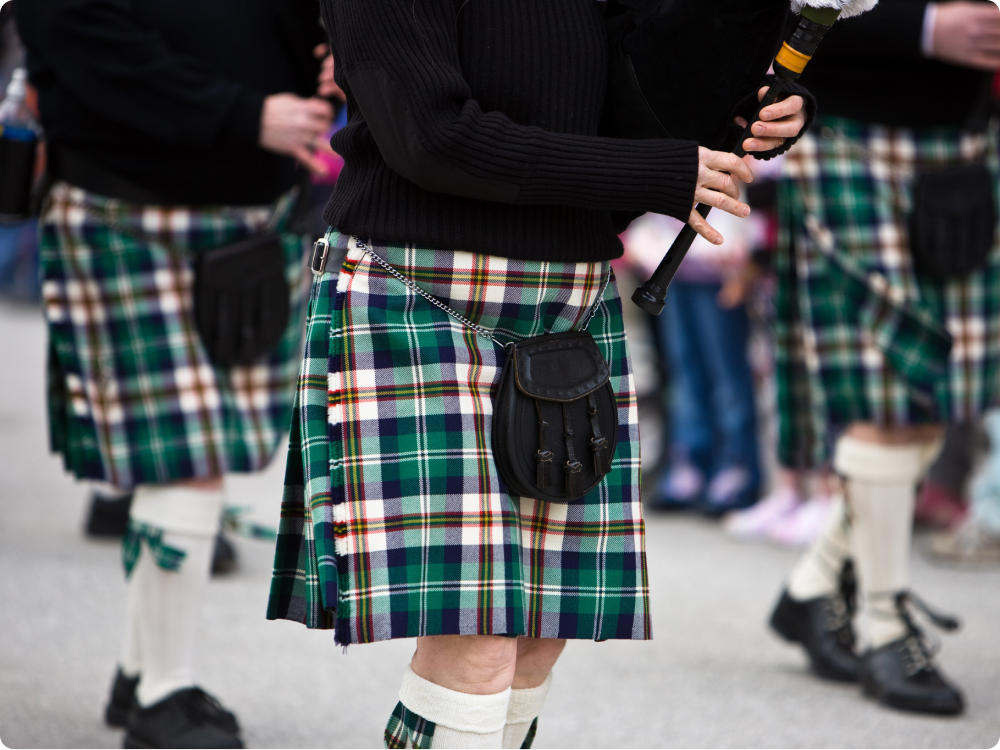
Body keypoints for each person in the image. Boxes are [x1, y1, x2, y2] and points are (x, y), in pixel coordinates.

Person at [264, 1, 812, 747]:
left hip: (568, 297)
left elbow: (643, 90)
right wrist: (658, 171)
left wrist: (760, 103)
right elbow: (431, 136)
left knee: (537, 637)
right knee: (478, 638)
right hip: (420, 289)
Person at [14, 0, 333, 746]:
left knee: (197, 459)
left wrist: (335, 48)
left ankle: (141, 669)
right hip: (127, 203)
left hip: (256, 213)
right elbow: (74, 32)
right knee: (189, 458)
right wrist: (238, 113)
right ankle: (165, 694)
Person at [767, 0, 1000, 716]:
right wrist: (925, 27)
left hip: (965, 147)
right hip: (851, 137)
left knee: (935, 399)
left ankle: (812, 589)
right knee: (893, 401)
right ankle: (885, 626)